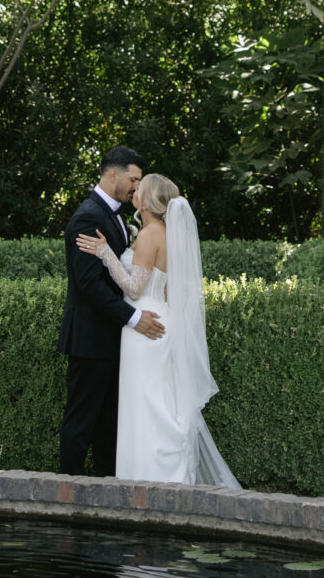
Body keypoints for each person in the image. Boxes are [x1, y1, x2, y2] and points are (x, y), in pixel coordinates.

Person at [77, 172, 238, 488]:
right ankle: (164, 476)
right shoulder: (167, 233)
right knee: (160, 401)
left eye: (141, 187)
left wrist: (105, 253)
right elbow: (165, 290)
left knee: (146, 405)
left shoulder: (150, 234)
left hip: (143, 327)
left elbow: (135, 289)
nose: (135, 190)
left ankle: (147, 479)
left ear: (148, 201)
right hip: (162, 319)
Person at [57, 147, 166, 477]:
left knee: (109, 425)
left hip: (114, 338)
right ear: (113, 174)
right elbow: (89, 284)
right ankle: (68, 492)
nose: (137, 186)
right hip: (91, 338)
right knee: (81, 421)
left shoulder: (117, 217)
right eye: (134, 178)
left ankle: (108, 491)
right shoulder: (88, 216)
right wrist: (133, 318)